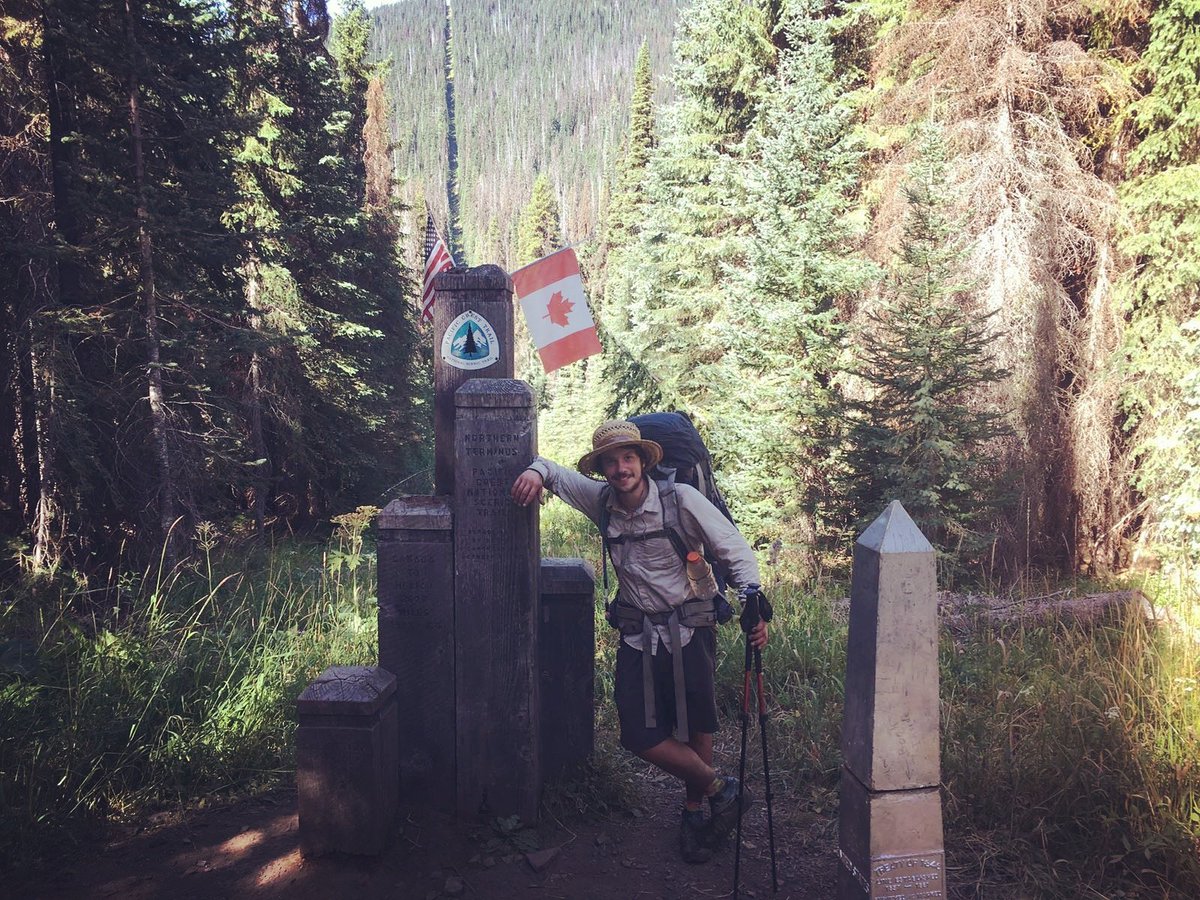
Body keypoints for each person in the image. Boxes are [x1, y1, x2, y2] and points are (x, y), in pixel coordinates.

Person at [511, 419, 768, 864]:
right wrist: (534, 471)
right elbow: (553, 472)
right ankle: (721, 790)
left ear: (643, 460)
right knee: (637, 735)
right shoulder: (602, 501)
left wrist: (752, 598)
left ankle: (694, 814)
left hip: (690, 626)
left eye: (627, 458)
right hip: (637, 636)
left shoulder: (680, 499)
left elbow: (732, 546)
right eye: (610, 462)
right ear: (603, 469)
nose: (619, 468)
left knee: (696, 727)